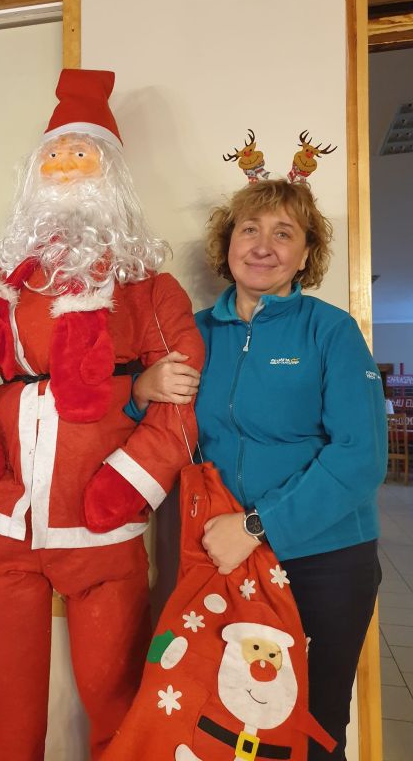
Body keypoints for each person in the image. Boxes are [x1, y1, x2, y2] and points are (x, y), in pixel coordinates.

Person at [0, 68, 204, 761]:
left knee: (117, 697)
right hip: (3, 528)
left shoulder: (149, 291)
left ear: (112, 178)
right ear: (34, 176)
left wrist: (126, 485)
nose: (67, 168)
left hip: (103, 532)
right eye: (55, 155)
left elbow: (182, 401)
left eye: (83, 155)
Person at [128, 178, 387, 760]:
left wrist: (256, 526)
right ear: (228, 244)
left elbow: (361, 457)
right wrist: (141, 389)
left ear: (306, 252)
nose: (263, 246)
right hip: (219, 557)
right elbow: (143, 426)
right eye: (250, 229)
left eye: (283, 233)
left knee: (311, 726)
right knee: (221, 720)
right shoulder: (193, 332)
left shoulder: (330, 331)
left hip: (324, 561)